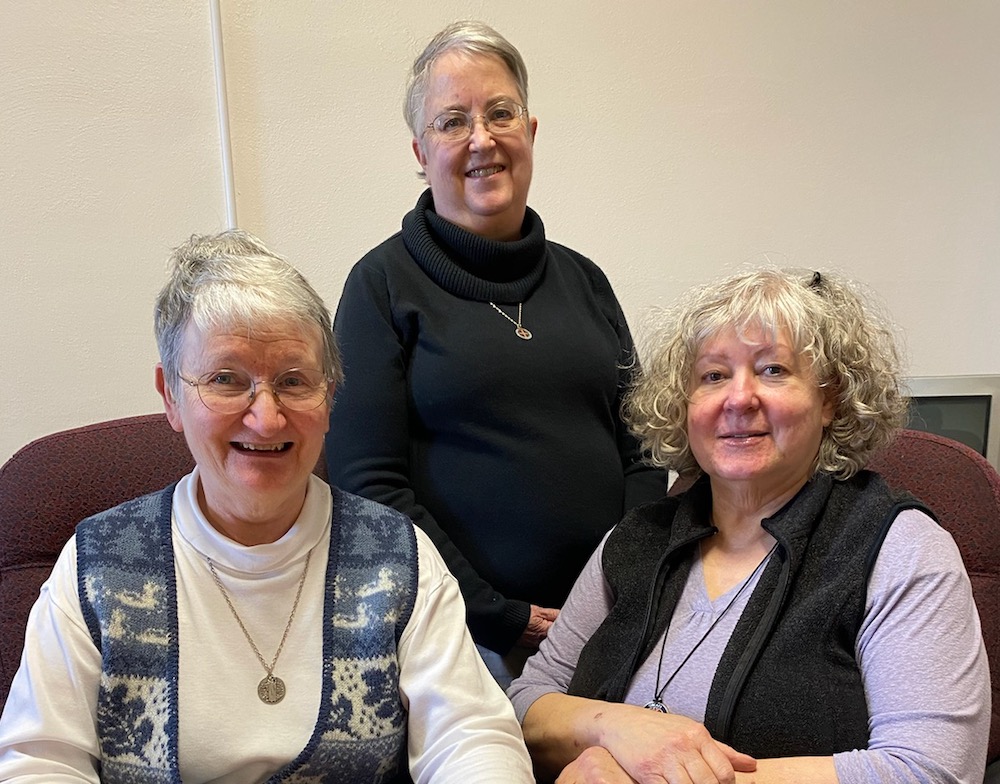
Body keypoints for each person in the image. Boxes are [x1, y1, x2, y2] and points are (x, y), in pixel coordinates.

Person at [0, 230, 535, 783]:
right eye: (226, 380)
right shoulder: (97, 565)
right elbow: (41, 761)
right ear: (171, 396)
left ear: (330, 398)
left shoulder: (397, 558)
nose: (267, 417)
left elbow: (470, 737)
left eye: (293, 381)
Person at [508, 268, 990, 783]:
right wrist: (612, 731)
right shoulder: (632, 541)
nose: (739, 399)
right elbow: (526, 703)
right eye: (713, 376)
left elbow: (932, 770)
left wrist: (660, 774)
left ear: (830, 399)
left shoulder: (900, 547)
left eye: (774, 370)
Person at [325, 21, 666, 687]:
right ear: (420, 152)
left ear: (531, 131)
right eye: (453, 122)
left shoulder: (586, 280)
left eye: (500, 113)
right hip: (463, 638)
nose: (482, 138)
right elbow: (369, 489)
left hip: (617, 620)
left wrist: (618, 589)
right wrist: (502, 616)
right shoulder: (381, 287)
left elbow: (643, 451)